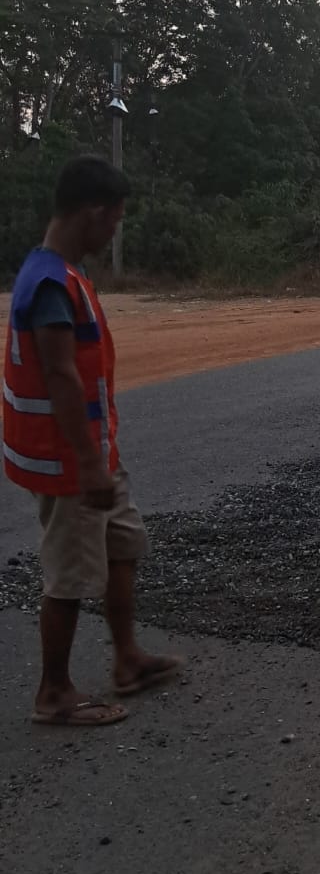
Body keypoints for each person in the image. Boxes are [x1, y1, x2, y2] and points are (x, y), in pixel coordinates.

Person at [3, 155, 182, 726]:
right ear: (92, 213)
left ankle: (126, 660)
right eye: (114, 221)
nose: (114, 233)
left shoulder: (60, 272)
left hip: (93, 454)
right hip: (70, 462)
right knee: (70, 575)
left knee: (123, 545)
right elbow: (60, 376)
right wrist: (88, 463)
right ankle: (53, 692)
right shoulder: (52, 283)